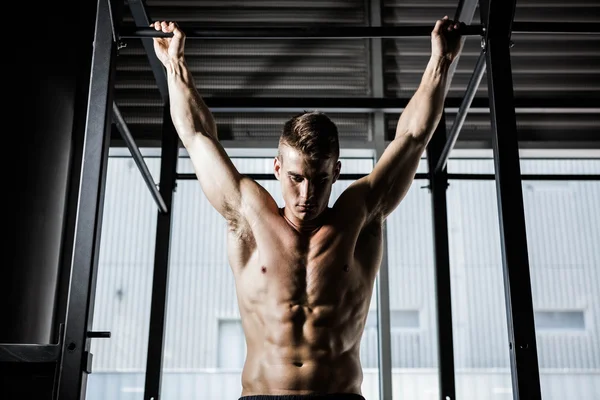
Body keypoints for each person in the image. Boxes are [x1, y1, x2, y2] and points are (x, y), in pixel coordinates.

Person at [151, 16, 464, 400]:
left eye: (320, 179)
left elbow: (413, 138)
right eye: (296, 178)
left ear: (337, 171)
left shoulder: (358, 215)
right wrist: (174, 64)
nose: (307, 193)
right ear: (277, 168)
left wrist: (441, 62)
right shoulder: (251, 214)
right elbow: (196, 135)